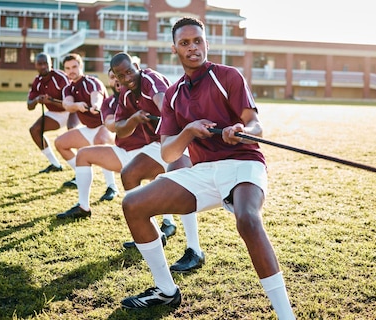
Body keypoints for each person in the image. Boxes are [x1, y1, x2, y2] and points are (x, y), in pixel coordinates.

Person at [118, 17, 295, 319]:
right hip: (203, 172)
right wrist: (188, 132)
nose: (193, 48)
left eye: (197, 41)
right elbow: (168, 150)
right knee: (133, 204)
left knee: (248, 220)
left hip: (243, 163)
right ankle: (166, 290)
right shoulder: (172, 94)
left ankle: (285, 315)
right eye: (185, 43)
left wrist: (241, 128)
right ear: (175, 49)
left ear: (206, 43)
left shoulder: (228, 76)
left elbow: (256, 124)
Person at [110, 52, 204, 272]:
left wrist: (165, 118)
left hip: (180, 135)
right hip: (158, 143)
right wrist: (134, 119)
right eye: (121, 76)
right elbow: (121, 129)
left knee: (180, 182)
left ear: (136, 66)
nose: (127, 78)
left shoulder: (150, 78)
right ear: (115, 78)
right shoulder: (125, 93)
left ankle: (195, 250)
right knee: (129, 175)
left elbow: (164, 104)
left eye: (129, 71)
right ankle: (155, 234)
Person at [55, 53, 117, 202]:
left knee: (100, 140)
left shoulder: (92, 82)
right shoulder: (68, 89)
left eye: (74, 67)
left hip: (106, 125)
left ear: (81, 66)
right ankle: (81, 173)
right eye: (68, 68)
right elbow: (67, 104)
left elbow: (97, 97)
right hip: (89, 128)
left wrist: (95, 105)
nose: (71, 71)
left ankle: (112, 186)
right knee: (60, 143)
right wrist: (77, 106)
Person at [26, 52, 80, 174]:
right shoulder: (37, 81)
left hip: (72, 110)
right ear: (36, 65)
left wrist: (51, 101)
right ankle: (55, 164)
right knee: (34, 130)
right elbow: (29, 106)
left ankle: (80, 169)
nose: (43, 66)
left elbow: (70, 103)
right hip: (56, 113)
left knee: (73, 133)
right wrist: (36, 100)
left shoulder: (60, 77)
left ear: (51, 63)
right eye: (40, 64)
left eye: (46, 63)